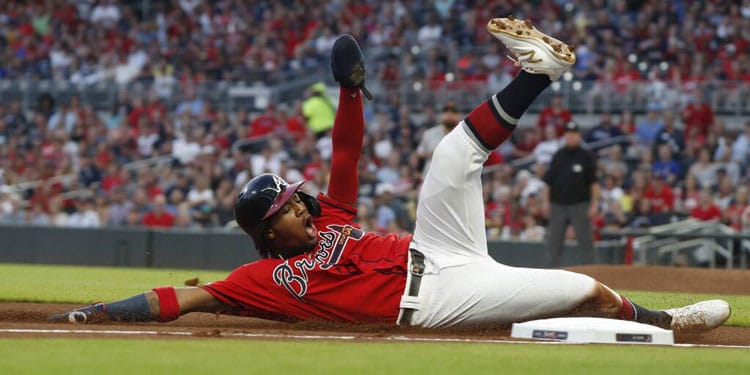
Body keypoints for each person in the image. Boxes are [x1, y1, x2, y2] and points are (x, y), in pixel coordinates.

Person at [52, 20, 729, 332]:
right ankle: (667, 320)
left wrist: (349, 91)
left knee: (446, 155)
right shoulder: (259, 281)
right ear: (268, 228)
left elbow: (344, 155)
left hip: (435, 248)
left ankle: (536, 75)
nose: (303, 202)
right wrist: (99, 313)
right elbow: (184, 297)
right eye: (289, 205)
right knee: (581, 288)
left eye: (296, 196)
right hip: (434, 301)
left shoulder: (332, 219)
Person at [542, 121, 599, 267]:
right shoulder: (558, 155)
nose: (570, 136)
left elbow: (593, 183)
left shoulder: (586, 156)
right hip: (558, 205)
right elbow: (548, 182)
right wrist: (545, 202)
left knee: (585, 240)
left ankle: (591, 270)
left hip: (579, 204)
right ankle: (551, 272)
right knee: (554, 241)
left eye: (573, 134)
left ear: (578, 136)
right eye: (567, 133)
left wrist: (594, 204)